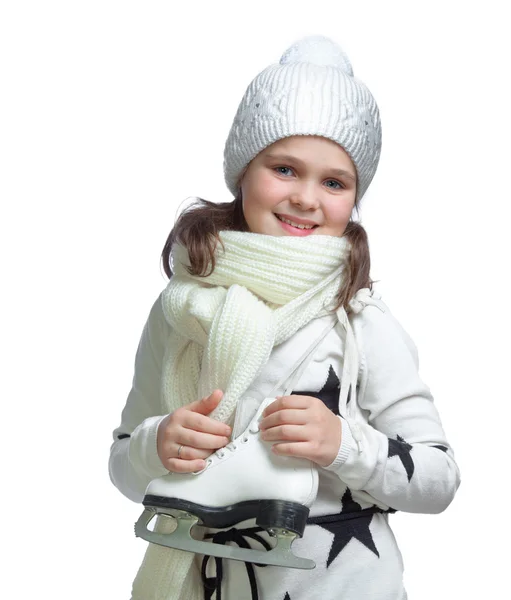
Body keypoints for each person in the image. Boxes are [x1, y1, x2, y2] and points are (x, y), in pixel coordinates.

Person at [108, 34, 461, 600]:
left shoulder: (361, 318)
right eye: (284, 169)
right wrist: (157, 445)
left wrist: (344, 444)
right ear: (244, 170)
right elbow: (125, 461)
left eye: (334, 182)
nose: (305, 197)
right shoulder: (182, 307)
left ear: (354, 197)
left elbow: (439, 479)